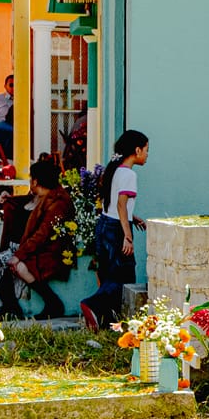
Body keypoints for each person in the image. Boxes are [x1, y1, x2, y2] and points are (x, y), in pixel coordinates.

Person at [0, 158, 73, 318]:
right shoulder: (45, 196)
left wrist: (18, 256)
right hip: (36, 247)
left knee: (13, 265)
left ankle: (51, 303)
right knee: (1, 263)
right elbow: (26, 204)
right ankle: (10, 308)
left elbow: (42, 234)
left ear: (36, 181)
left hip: (50, 251)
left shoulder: (58, 202)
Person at [81, 130, 148, 329]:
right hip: (116, 229)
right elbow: (120, 205)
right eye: (146, 150)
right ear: (136, 150)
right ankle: (92, 304)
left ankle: (105, 321)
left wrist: (131, 217)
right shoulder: (129, 174)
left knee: (109, 273)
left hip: (105, 224)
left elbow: (112, 204)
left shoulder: (115, 170)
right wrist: (128, 236)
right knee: (123, 277)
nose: (146, 155)